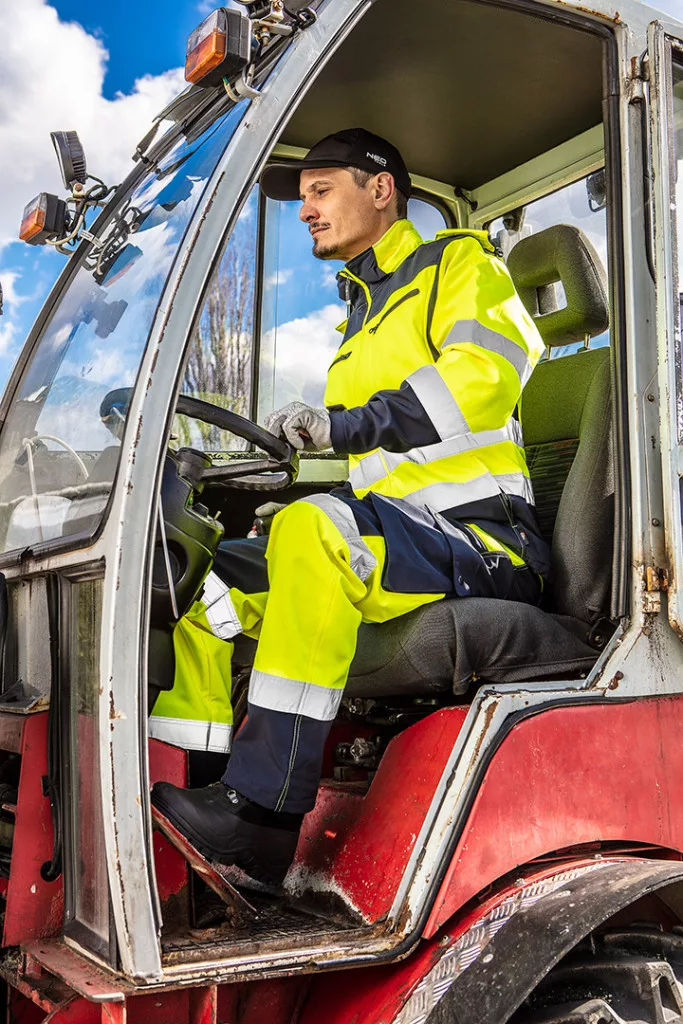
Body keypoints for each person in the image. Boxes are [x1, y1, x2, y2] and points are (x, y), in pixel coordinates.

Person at [151, 128, 550, 886]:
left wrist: (344, 428)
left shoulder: (458, 266)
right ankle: (188, 791)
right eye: (302, 196)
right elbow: (375, 465)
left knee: (313, 530)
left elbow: (483, 379)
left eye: (320, 190)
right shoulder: (359, 315)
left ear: (380, 189)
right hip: (400, 541)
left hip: (484, 541)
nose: (305, 209)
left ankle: (263, 812)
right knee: (204, 581)